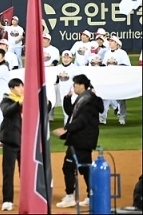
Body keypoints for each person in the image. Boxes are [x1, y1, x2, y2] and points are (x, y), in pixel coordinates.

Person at [53, 74, 104, 208]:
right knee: (85, 168)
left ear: (82, 85)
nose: (74, 87)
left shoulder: (88, 101)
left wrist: (65, 128)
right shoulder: (83, 99)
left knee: (68, 167)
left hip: (81, 140)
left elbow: (81, 121)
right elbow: (71, 112)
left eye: (75, 84)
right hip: (82, 140)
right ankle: (92, 195)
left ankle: (70, 196)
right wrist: (67, 98)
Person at [0, 78, 24, 212]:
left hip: (26, 143)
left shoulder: (27, 99)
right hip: (11, 141)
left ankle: (27, 198)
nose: (21, 89)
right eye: (18, 87)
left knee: (25, 173)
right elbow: (7, 111)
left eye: (22, 86)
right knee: (8, 172)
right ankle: (7, 200)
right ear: (12, 89)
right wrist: (19, 103)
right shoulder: (6, 100)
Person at [101, 36, 129, 125]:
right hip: (108, 78)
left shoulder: (122, 53)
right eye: (109, 41)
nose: (110, 42)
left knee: (120, 99)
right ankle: (102, 118)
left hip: (119, 79)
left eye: (112, 41)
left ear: (117, 43)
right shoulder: (107, 53)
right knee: (105, 98)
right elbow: (104, 65)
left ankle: (122, 118)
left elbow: (127, 66)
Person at [53, 50, 78, 124]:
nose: (66, 59)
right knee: (65, 111)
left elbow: (80, 79)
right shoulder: (58, 68)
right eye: (64, 57)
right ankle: (67, 126)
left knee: (73, 110)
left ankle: (72, 126)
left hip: (73, 93)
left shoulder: (75, 68)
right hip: (62, 92)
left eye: (68, 57)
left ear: (71, 58)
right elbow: (56, 80)